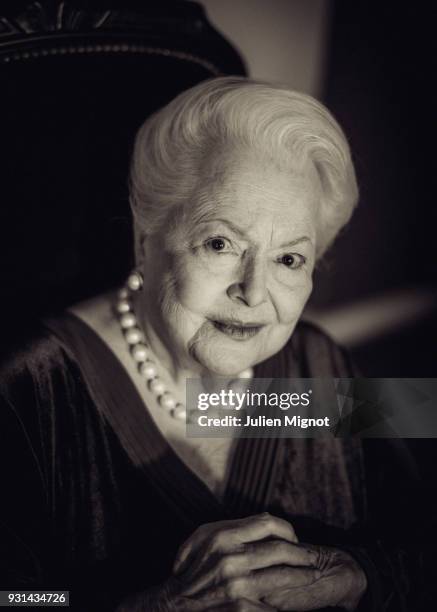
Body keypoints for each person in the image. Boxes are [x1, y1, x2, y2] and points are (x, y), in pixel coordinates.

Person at [0, 77, 432, 611]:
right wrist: (158, 604)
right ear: (144, 239)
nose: (254, 293)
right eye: (220, 243)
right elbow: (15, 596)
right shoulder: (27, 390)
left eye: (289, 259)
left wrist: (356, 576)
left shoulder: (321, 367)